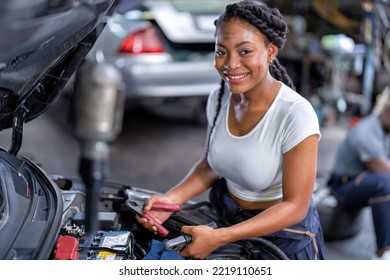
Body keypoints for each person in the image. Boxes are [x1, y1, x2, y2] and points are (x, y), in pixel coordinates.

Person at [136, 0, 326, 260]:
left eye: (245, 51)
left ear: (270, 52)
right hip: (226, 215)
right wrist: (168, 202)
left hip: (282, 236)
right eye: (221, 51)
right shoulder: (219, 98)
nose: (230, 64)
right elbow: (210, 166)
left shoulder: (294, 114)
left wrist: (220, 237)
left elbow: (295, 207)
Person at [328, 87, 390, 260]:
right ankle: (383, 252)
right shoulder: (366, 131)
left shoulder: (386, 130)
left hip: (364, 180)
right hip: (342, 187)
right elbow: (382, 169)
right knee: (385, 183)